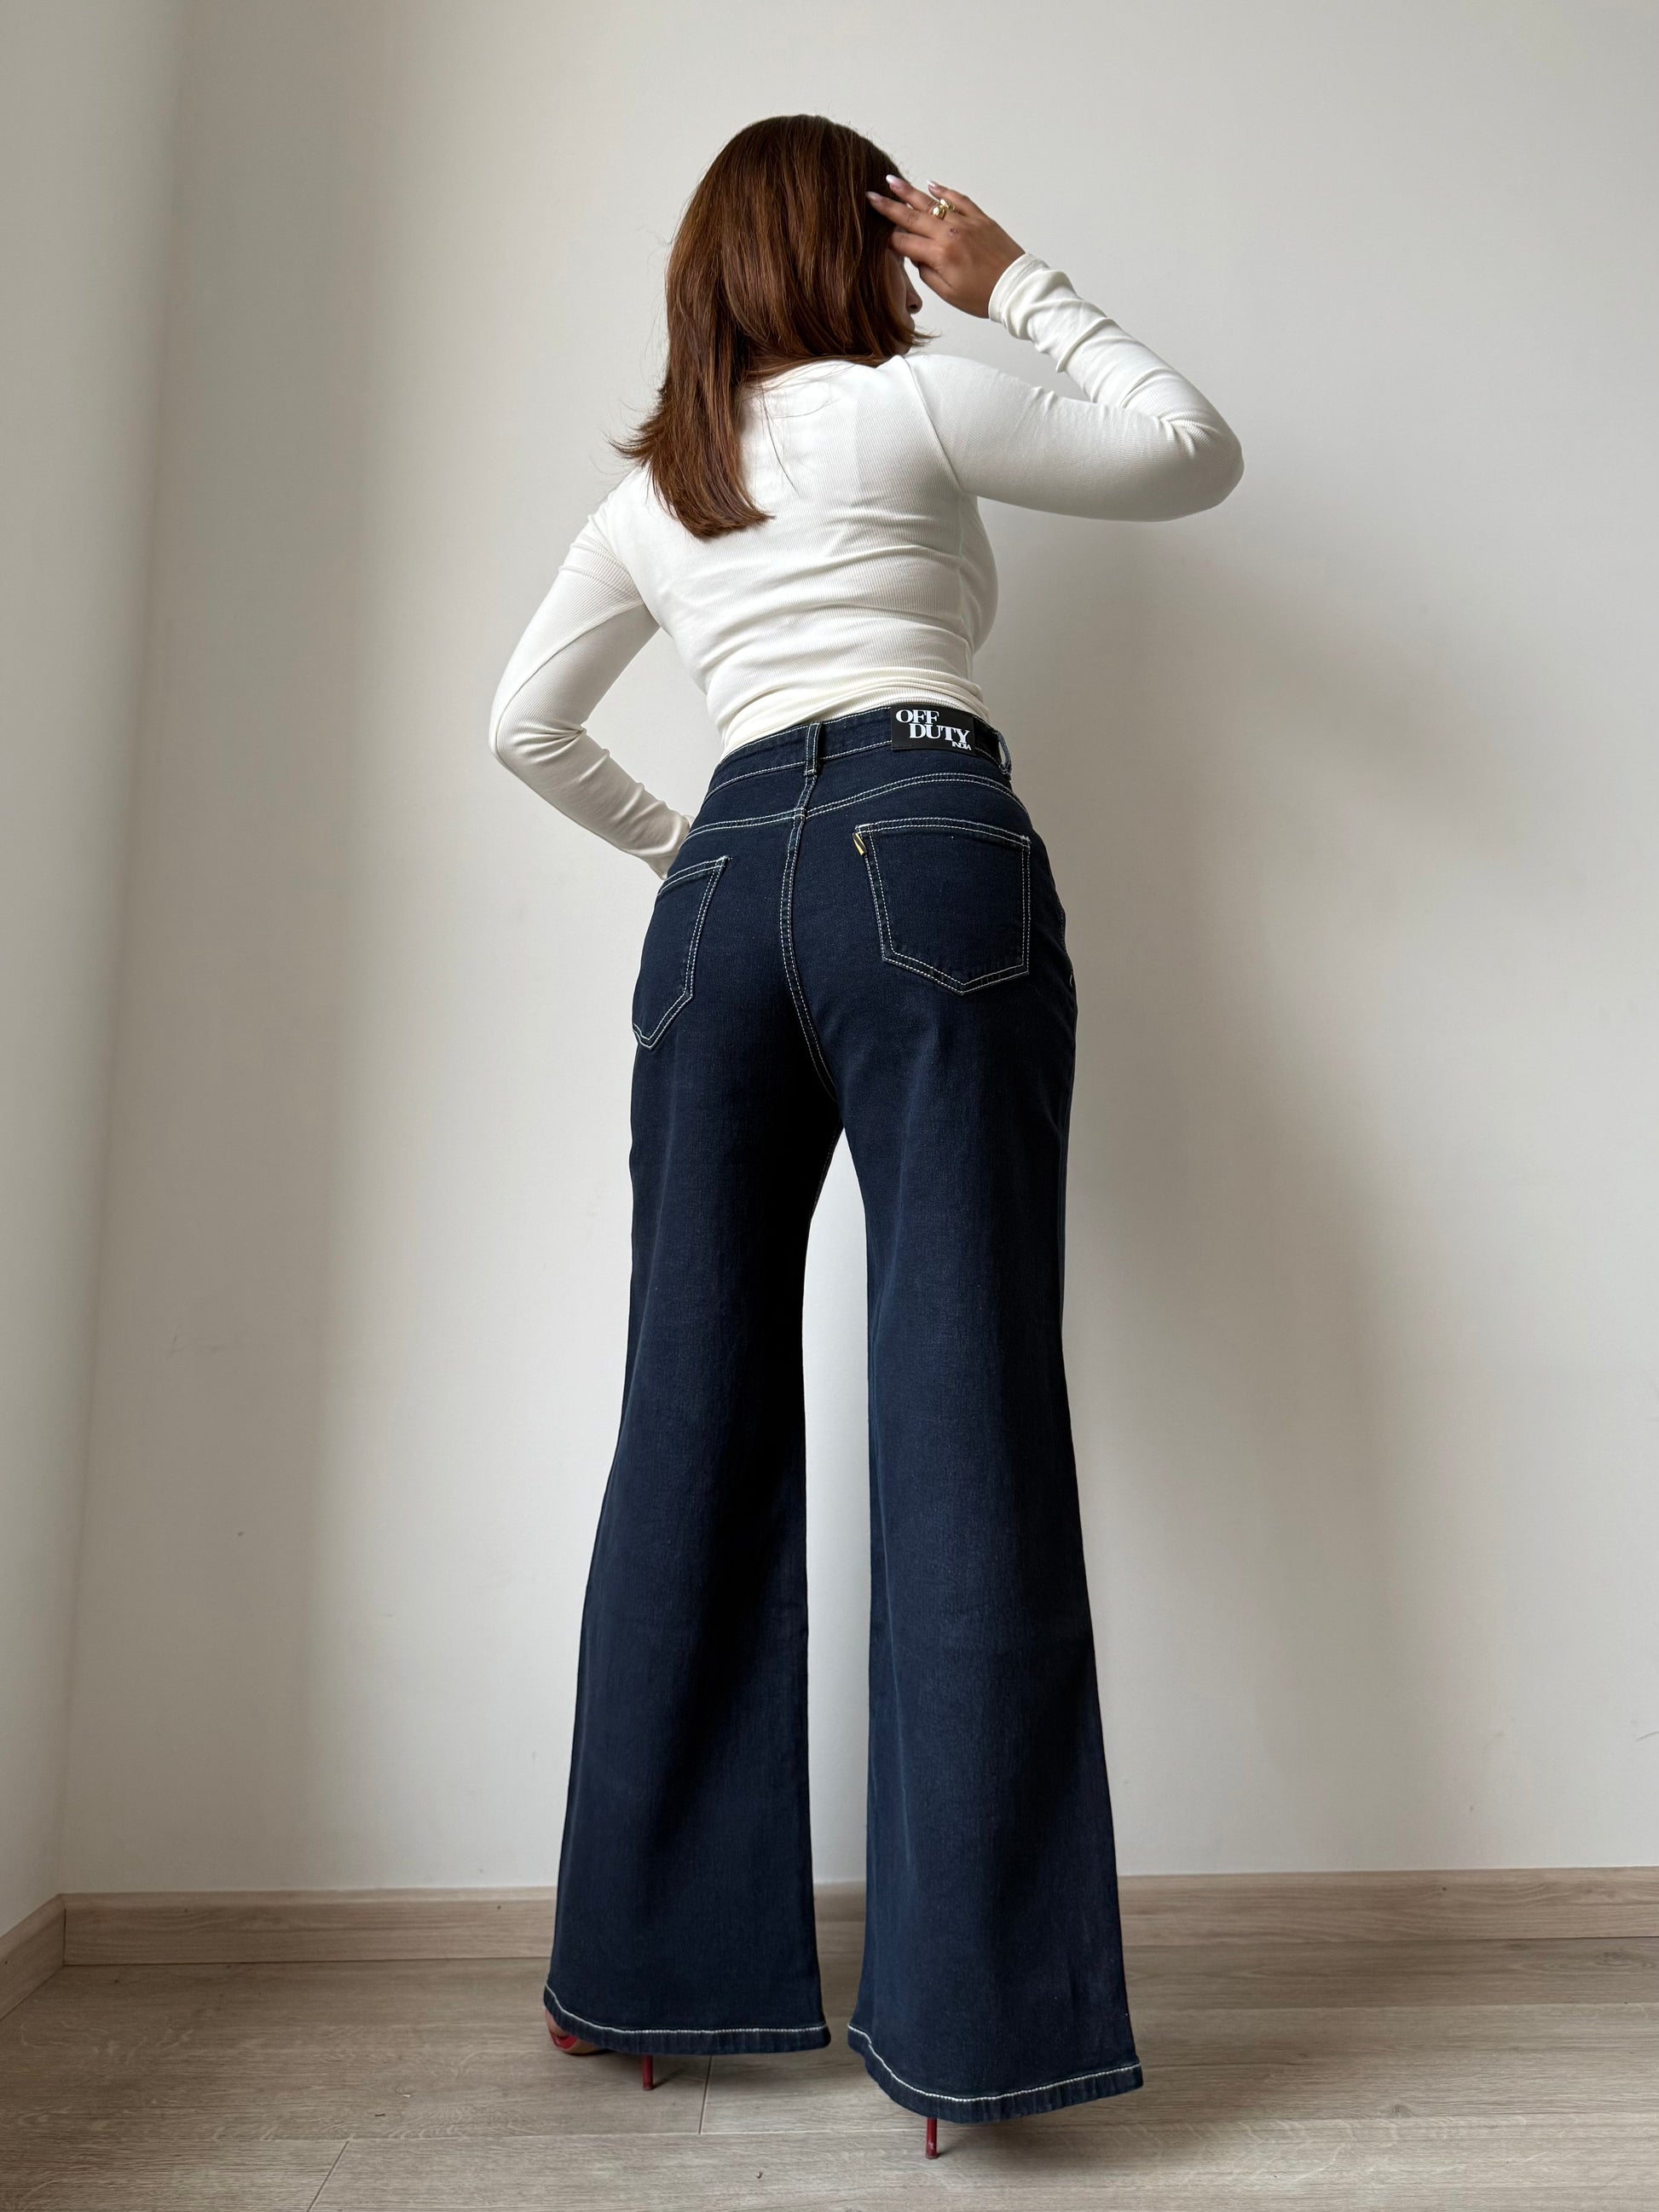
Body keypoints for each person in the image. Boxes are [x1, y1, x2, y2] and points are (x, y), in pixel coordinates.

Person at [488, 113, 1242, 2151]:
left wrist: (705, 853)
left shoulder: (660, 484)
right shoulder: (909, 395)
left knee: (689, 1409)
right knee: (962, 1399)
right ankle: (975, 2040)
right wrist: (1017, 283)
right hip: (926, 833)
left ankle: (649, 1982)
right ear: (866, 244)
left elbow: (523, 723)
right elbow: (1190, 450)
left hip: (718, 893)